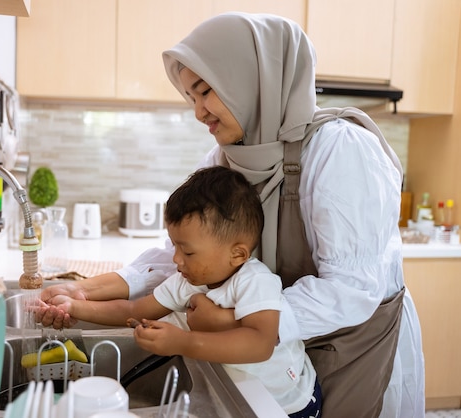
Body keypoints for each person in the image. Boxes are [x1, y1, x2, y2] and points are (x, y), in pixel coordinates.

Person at [37, 12, 425, 418]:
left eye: (205, 91)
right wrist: (85, 293)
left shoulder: (340, 150)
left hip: (351, 348)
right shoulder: (228, 157)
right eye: (190, 97)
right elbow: (185, 256)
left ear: (253, 80)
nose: (198, 111)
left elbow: (350, 290)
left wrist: (232, 322)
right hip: (273, 357)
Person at [40, 166, 322, 417]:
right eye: (174, 246)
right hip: (240, 390)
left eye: (186, 250)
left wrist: (183, 342)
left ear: (237, 254)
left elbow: (260, 343)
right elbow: (133, 310)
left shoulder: (255, 281)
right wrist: (75, 306)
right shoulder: (187, 280)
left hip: (288, 404)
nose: (176, 259)